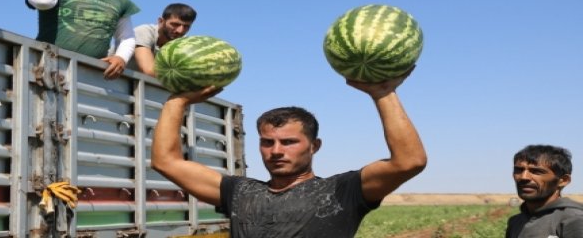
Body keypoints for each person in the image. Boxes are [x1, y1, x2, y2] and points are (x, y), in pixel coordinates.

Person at [151, 69, 426, 237]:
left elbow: (409, 161)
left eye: (289, 142)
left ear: (314, 146)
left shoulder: (343, 191)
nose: (276, 151)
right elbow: (166, 161)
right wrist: (179, 101)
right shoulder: (238, 191)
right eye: (267, 142)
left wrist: (383, 94)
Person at [506, 144, 583, 238]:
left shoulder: (574, 219)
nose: (524, 177)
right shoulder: (516, 222)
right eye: (519, 170)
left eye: (536, 171)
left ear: (563, 180)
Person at [132, 3, 197, 76]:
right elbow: (149, 70)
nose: (180, 31)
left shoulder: (184, 43)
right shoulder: (144, 31)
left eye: (186, 26)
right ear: (161, 21)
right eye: (175, 24)